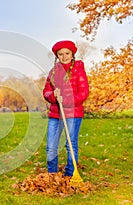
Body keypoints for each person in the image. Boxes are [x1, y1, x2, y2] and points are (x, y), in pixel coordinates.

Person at [42, 40, 89, 176]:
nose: (64, 56)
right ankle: (52, 175)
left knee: (70, 145)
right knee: (51, 147)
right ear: (57, 55)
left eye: (67, 53)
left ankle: (70, 174)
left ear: (72, 54)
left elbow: (84, 92)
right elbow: (46, 91)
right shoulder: (53, 71)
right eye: (60, 54)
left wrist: (66, 100)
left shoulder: (78, 70)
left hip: (73, 114)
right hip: (55, 114)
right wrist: (53, 96)